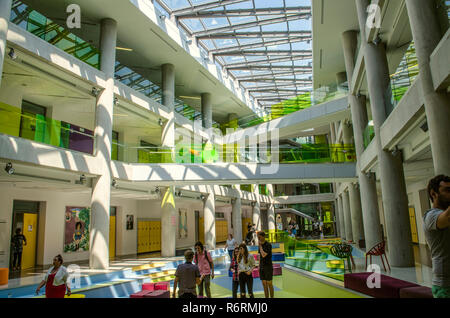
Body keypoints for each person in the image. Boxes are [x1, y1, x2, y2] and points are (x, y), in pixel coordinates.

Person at [424, 175, 450, 298]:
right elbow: (447, 218)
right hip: (445, 286)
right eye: (447, 190)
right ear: (433, 194)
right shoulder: (431, 216)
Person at [257, 231, 274, 298]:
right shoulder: (260, 245)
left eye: (259, 237)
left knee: (269, 283)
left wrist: (260, 246)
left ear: (263, 236)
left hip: (268, 266)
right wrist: (259, 265)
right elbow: (260, 256)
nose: (258, 238)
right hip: (262, 266)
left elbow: (263, 255)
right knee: (264, 284)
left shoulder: (268, 245)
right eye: (258, 237)